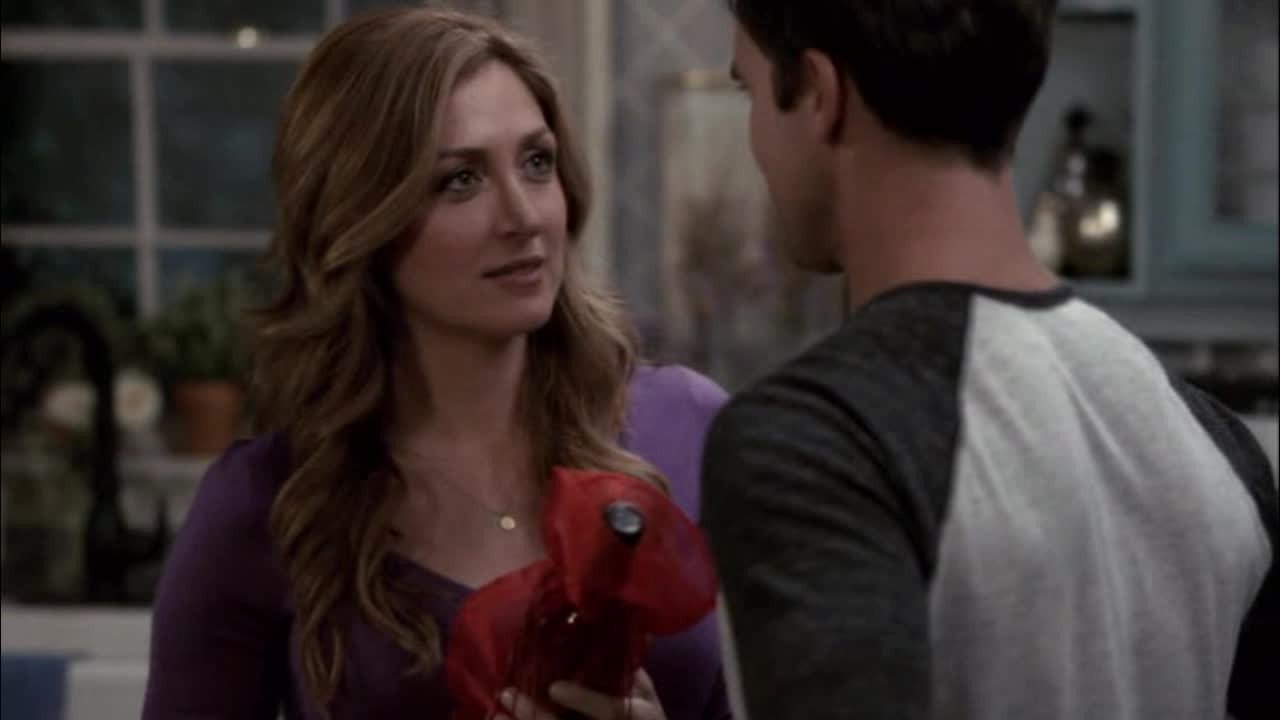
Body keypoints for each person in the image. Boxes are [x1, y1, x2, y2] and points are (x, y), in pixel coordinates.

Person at [142, 9, 730, 720]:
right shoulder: (265, 506)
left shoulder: (691, 429)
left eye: (537, 163)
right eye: (460, 180)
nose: (523, 217)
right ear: (362, 219)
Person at [700, 2, 1278, 719]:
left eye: (751, 92)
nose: (755, 137)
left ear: (820, 94)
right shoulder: (1217, 447)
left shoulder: (816, 446)